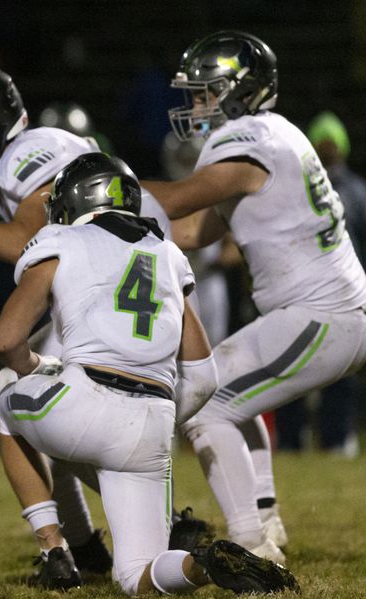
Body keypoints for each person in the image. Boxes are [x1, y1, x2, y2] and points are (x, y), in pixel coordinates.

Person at [0, 152, 297, 596]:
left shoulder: (60, 239)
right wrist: (155, 420)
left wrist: (38, 368)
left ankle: (54, 549)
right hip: (151, 423)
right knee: (139, 577)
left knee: (5, 396)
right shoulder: (168, 254)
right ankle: (204, 565)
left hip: (82, 401)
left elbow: (5, 341)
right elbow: (204, 374)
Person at [0, 65, 175, 578]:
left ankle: (67, 547)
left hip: (113, 296)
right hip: (134, 296)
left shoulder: (24, 155)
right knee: (66, 411)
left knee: (16, 392)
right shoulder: (5, 176)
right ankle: (99, 544)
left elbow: (26, 245)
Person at [144, 31, 366, 563]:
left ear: (237, 92)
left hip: (322, 315)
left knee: (206, 407)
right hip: (326, 312)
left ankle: (249, 542)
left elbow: (173, 201)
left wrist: (100, 187)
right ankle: (264, 517)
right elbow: (198, 229)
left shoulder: (244, 142)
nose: (195, 105)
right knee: (225, 388)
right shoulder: (275, 133)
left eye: (205, 92)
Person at [274, 111, 366, 455]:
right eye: (321, 144)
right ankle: (289, 439)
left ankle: (337, 438)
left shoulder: (357, 191)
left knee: (340, 371)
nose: (327, 149)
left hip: (343, 292)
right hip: (303, 289)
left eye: (331, 143)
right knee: (291, 367)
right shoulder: (295, 189)